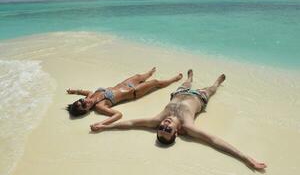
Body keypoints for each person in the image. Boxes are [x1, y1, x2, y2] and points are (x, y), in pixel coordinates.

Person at [90, 69, 267, 170]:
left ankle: (190, 77)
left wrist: (105, 127)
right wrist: (246, 158)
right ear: (178, 132)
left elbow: (130, 124)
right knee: (211, 89)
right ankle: (217, 83)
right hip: (199, 97)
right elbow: (215, 141)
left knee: (186, 83)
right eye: (168, 130)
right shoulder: (187, 126)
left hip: (179, 93)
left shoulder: (158, 119)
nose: (165, 125)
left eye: (162, 128)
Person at [67, 67, 182, 125]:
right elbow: (118, 114)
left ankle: (149, 73)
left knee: (139, 76)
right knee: (155, 83)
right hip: (134, 91)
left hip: (124, 83)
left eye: (81, 101)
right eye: (84, 106)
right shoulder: (99, 106)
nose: (85, 102)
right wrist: (103, 123)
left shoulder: (90, 96)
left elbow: (86, 92)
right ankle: (173, 79)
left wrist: (75, 91)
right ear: (87, 111)